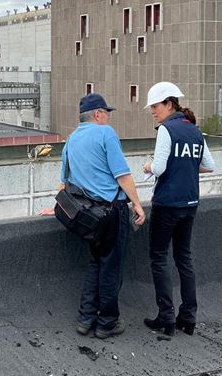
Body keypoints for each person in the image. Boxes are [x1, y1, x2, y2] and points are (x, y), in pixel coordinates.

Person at [57, 93, 146, 339]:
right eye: (106, 113)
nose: (107, 117)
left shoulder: (71, 139)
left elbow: (64, 183)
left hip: (87, 215)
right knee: (111, 268)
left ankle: (86, 319)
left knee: (96, 263)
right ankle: (107, 322)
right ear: (98, 114)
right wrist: (137, 205)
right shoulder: (106, 133)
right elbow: (122, 175)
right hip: (112, 212)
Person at [141, 82, 215, 337]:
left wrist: (148, 167)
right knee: (184, 258)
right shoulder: (194, 130)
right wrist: (185, 166)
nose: (152, 111)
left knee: (159, 257)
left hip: (167, 204)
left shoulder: (166, 130)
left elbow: (159, 168)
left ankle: (166, 317)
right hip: (190, 203)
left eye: (155, 106)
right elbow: (209, 165)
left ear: (169, 104)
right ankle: (188, 317)